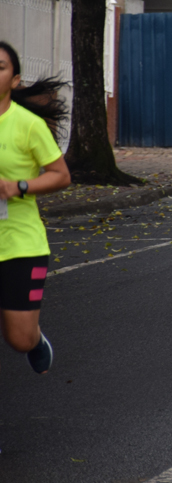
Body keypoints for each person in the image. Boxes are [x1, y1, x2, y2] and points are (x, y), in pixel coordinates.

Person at [0, 42, 70, 373]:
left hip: (20, 245)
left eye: (0, 67)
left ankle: (35, 339)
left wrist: (19, 186)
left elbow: (61, 176)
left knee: (19, 339)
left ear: (15, 80)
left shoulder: (28, 125)